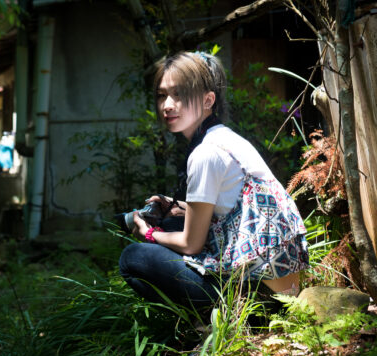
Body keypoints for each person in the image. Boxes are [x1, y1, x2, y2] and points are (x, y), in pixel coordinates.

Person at [118, 51, 309, 310]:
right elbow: (232, 210)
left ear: (208, 100)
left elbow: (191, 243)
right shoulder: (226, 139)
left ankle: (215, 318)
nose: (168, 105)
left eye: (180, 94)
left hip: (259, 300)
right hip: (280, 289)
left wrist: (149, 233)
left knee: (132, 258)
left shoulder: (205, 153)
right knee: (173, 218)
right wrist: (179, 208)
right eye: (162, 95)